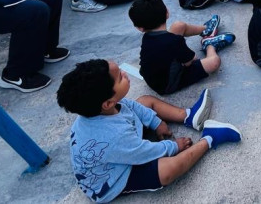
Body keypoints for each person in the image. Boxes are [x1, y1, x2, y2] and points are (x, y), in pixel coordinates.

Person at [57, 60, 241, 203]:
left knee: (144, 101)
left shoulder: (106, 107)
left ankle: (188, 116)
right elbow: (144, 152)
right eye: (120, 77)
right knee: (169, 170)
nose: (124, 74)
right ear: (107, 103)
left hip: (122, 147)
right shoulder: (115, 137)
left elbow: (131, 107)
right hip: (114, 179)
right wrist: (172, 146)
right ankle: (210, 138)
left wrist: (156, 122)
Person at [129, 0, 234, 95]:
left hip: (152, 76)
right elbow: (190, 61)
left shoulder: (147, 37)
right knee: (214, 62)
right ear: (167, 13)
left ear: (140, 28)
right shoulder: (173, 41)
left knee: (179, 26)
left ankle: (205, 30)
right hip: (168, 85)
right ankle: (210, 45)